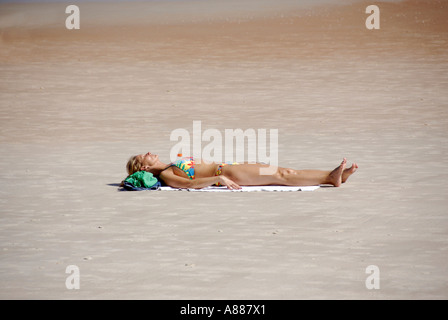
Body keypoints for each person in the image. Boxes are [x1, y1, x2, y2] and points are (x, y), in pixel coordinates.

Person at [124, 152, 358, 190]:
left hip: (230, 167)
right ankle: (331, 177)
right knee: (281, 176)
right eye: (143, 155)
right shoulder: (165, 174)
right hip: (229, 173)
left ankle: (334, 176)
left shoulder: (168, 166)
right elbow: (189, 185)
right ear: (144, 167)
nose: (149, 151)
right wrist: (220, 178)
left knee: (284, 170)